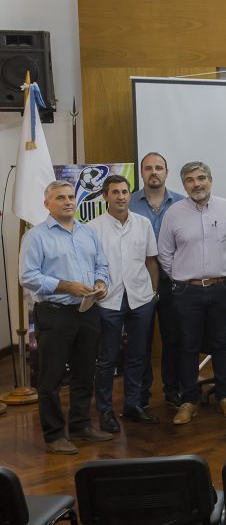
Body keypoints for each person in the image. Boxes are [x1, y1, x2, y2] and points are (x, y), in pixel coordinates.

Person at [20, 180, 112, 454]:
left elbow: (102, 264)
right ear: (47, 204)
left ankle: (81, 425)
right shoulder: (36, 236)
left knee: (85, 373)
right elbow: (28, 276)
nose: (68, 201)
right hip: (55, 313)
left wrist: (101, 281)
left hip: (87, 310)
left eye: (71, 196)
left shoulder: (87, 232)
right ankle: (54, 435)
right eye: (60, 197)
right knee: (51, 378)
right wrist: (65, 285)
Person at [158, 161, 226, 425]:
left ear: (211, 180)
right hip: (187, 292)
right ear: (183, 185)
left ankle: (225, 397)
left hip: (221, 288)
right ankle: (189, 400)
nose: (197, 184)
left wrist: (220, 272)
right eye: (190, 180)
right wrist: (185, 277)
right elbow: (165, 253)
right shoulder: (173, 213)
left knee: (222, 344)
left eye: (201, 178)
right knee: (187, 346)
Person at [90, 175, 160, 433]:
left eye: (124, 192)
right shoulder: (92, 228)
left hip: (141, 299)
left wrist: (153, 293)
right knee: (106, 359)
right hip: (108, 301)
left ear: (130, 195)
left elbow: (151, 261)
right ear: (105, 196)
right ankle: (106, 410)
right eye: (115, 192)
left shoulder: (143, 224)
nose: (120, 196)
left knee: (138, 356)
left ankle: (133, 405)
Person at [129, 152, 184, 408]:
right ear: (141, 173)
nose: (154, 172)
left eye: (159, 168)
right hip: (139, 282)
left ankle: (173, 392)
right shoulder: (127, 204)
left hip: (174, 283)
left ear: (166, 172)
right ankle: (141, 396)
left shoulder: (182, 204)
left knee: (173, 340)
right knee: (141, 341)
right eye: (148, 168)